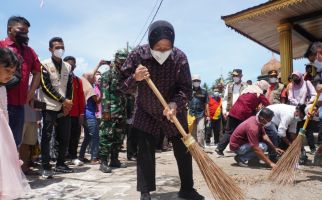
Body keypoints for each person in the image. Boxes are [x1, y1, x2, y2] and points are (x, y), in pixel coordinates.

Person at [119, 20, 204, 200]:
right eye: (158, 48)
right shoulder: (137, 55)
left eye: (167, 48)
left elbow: (186, 89)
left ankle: (187, 188)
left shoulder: (179, 58)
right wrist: (135, 77)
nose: (162, 52)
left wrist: (175, 104)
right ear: (150, 43)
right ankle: (145, 191)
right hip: (145, 109)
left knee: (183, 149)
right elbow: (121, 85)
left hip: (172, 110)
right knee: (145, 151)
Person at [0, 16, 40, 147]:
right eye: (21, 30)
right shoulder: (1, 45)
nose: (25, 34)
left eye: (27, 32)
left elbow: (37, 72)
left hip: (19, 105)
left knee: (15, 141)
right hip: (2, 102)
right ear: (10, 29)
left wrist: (32, 91)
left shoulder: (29, 51)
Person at [39, 37, 73, 178]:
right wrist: (63, 100)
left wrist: (68, 103)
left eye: (62, 47)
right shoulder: (44, 64)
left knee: (64, 136)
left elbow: (69, 86)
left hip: (64, 107)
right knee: (46, 137)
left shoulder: (68, 66)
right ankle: (46, 166)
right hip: (49, 106)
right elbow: (45, 86)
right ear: (50, 49)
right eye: (57, 47)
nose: (60, 50)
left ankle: (60, 163)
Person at [0, 47, 30, 199]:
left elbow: (5, 113)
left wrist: (11, 144)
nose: (10, 75)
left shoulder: (2, 89)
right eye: (7, 70)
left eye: (13, 72)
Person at [215, 80, 270, 156]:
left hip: (233, 112)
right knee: (245, 132)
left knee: (229, 132)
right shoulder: (259, 94)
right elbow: (268, 105)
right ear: (263, 88)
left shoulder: (247, 90)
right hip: (242, 115)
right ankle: (242, 151)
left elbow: (248, 103)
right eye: (265, 90)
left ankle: (219, 148)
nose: (264, 92)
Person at [99, 50, 129, 173]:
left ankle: (115, 160)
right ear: (116, 60)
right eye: (120, 61)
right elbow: (105, 94)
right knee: (106, 136)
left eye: (124, 61)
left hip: (122, 110)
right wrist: (106, 111)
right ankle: (103, 162)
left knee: (119, 136)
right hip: (110, 111)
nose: (122, 63)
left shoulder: (125, 76)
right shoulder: (107, 75)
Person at [63, 56, 85, 166]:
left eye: (73, 65)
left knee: (74, 136)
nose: (70, 67)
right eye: (68, 64)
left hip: (75, 114)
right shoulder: (60, 78)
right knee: (62, 136)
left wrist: (81, 114)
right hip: (63, 113)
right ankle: (61, 158)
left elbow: (81, 97)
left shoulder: (77, 80)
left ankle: (73, 156)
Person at [19, 74, 42, 175]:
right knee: (17, 144)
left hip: (32, 117)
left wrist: (38, 118)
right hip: (20, 115)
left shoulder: (36, 77)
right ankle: (15, 170)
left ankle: (24, 167)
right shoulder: (20, 75)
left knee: (27, 144)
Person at [188, 74, 209, 148]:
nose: (196, 82)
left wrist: (208, 115)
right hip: (191, 114)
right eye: (194, 81)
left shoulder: (204, 91)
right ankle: (194, 148)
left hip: (201, 113)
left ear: (200, 82)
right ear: (192, 82)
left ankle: (201, 147)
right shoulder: (189, 91)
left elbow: (206, 103)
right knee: (192, 132)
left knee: (201, 130)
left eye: (197, 80)